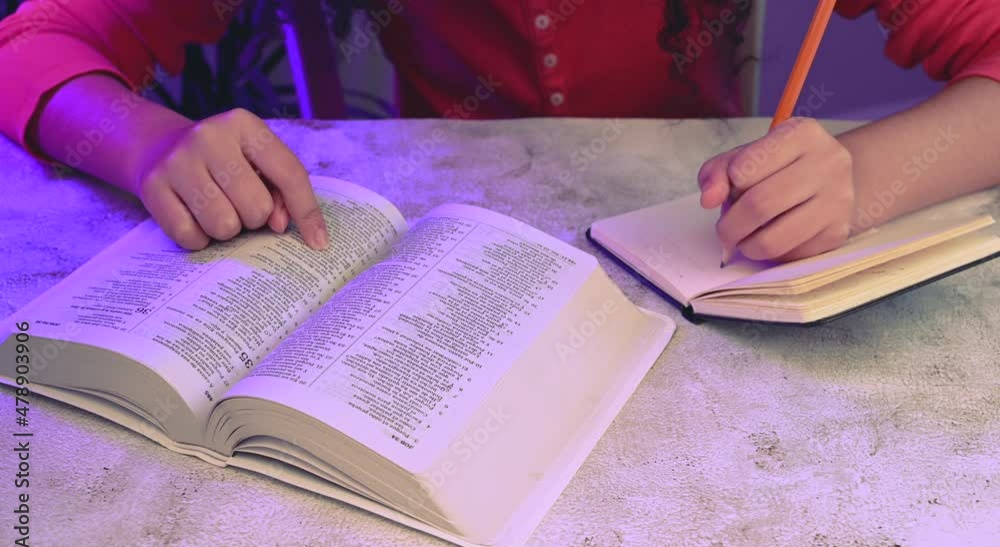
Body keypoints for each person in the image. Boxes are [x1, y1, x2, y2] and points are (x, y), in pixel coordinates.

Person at [1, 1, 998, 261]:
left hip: (695, 260)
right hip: (402, 252)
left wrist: (864, 174)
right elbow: (28, 49)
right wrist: (145, 142)